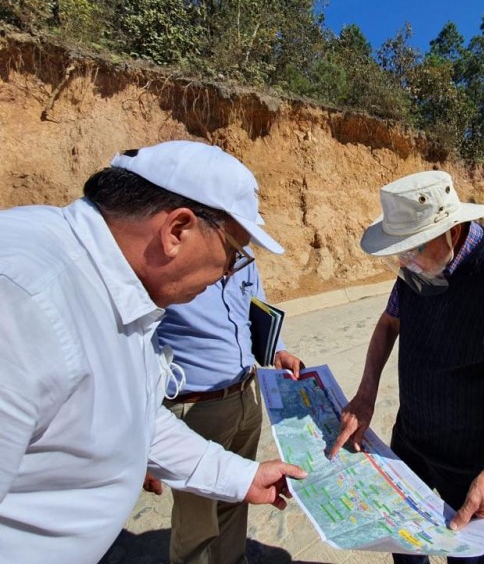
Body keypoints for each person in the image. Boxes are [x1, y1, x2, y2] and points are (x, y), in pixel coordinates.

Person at [0, 140, 306, 563]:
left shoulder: (112, 285)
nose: (228, 273)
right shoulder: (21, 299)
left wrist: (241, 476)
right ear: (177, 230)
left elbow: (134, 413)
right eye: (231, 254)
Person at [330, 170, 484, 564]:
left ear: (452, 232)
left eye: (412, 249)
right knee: (404, 549)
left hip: (477, 468)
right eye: (399, 252)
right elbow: (389, 323)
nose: (404, 262)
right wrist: (365, 394)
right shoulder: (417, 266)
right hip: (411, 445)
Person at [150, 262, 303, 564]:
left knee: (238, 494)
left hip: (247, 395)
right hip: (195, 410)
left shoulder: (246, 257)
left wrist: (278, 351)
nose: (237, 257)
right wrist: (143, 440)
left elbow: (256, 308)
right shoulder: (170, 262)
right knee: (197, 520)